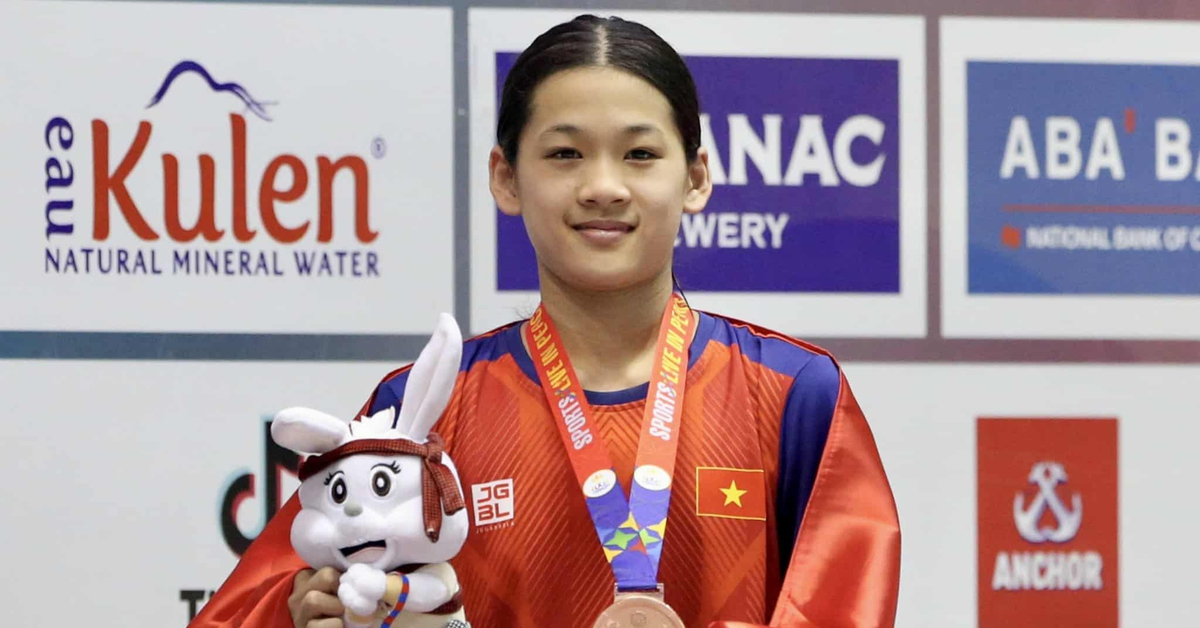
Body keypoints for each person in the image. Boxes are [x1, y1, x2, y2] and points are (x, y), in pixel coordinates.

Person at [191, 14, 900, 628]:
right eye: (564, 154)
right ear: (506, 177)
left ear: (695, 178)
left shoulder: (794, 396)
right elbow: (246, 609)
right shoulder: (422, 410)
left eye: (640, 154)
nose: (603, 186)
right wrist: (300, 612)